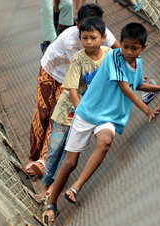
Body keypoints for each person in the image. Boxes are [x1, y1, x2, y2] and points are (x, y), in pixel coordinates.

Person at [43, 22, 160, 223]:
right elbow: (126, 88)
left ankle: (76, 187)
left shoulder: (138, 63)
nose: (128, 51)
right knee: (70, 162)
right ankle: (52, 203)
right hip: (87, 113)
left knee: (105, 142)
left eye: (134, 48)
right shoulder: (114, 57)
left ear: (143, 48)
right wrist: (147, 111)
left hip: (108, 117)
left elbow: (137, 84)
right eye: (125, 46)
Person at [27, 4, 121, 178]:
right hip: (51, 70)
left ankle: (42, 161)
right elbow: (82, 70)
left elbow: (119, 51)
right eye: (85, 32)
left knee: (58, 115)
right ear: (77, 25)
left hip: (69, 80)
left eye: (95, 32)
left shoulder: (101, 33)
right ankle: (32, 157)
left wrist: (133, 70)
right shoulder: (70, 40)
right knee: (42, 113)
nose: (90, 38)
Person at [35, 17, 111, 201]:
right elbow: (72, 89)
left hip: (87, 112)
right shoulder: (77, 59)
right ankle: (45, 185)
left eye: (93, 38)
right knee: (54, 148)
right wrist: (80, 111)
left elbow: (122, 77)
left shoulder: (109, 56)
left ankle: (53, 189)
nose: (89, 42)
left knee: (70, 151)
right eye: (84, 38)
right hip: (69, 109)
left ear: (103, 37)